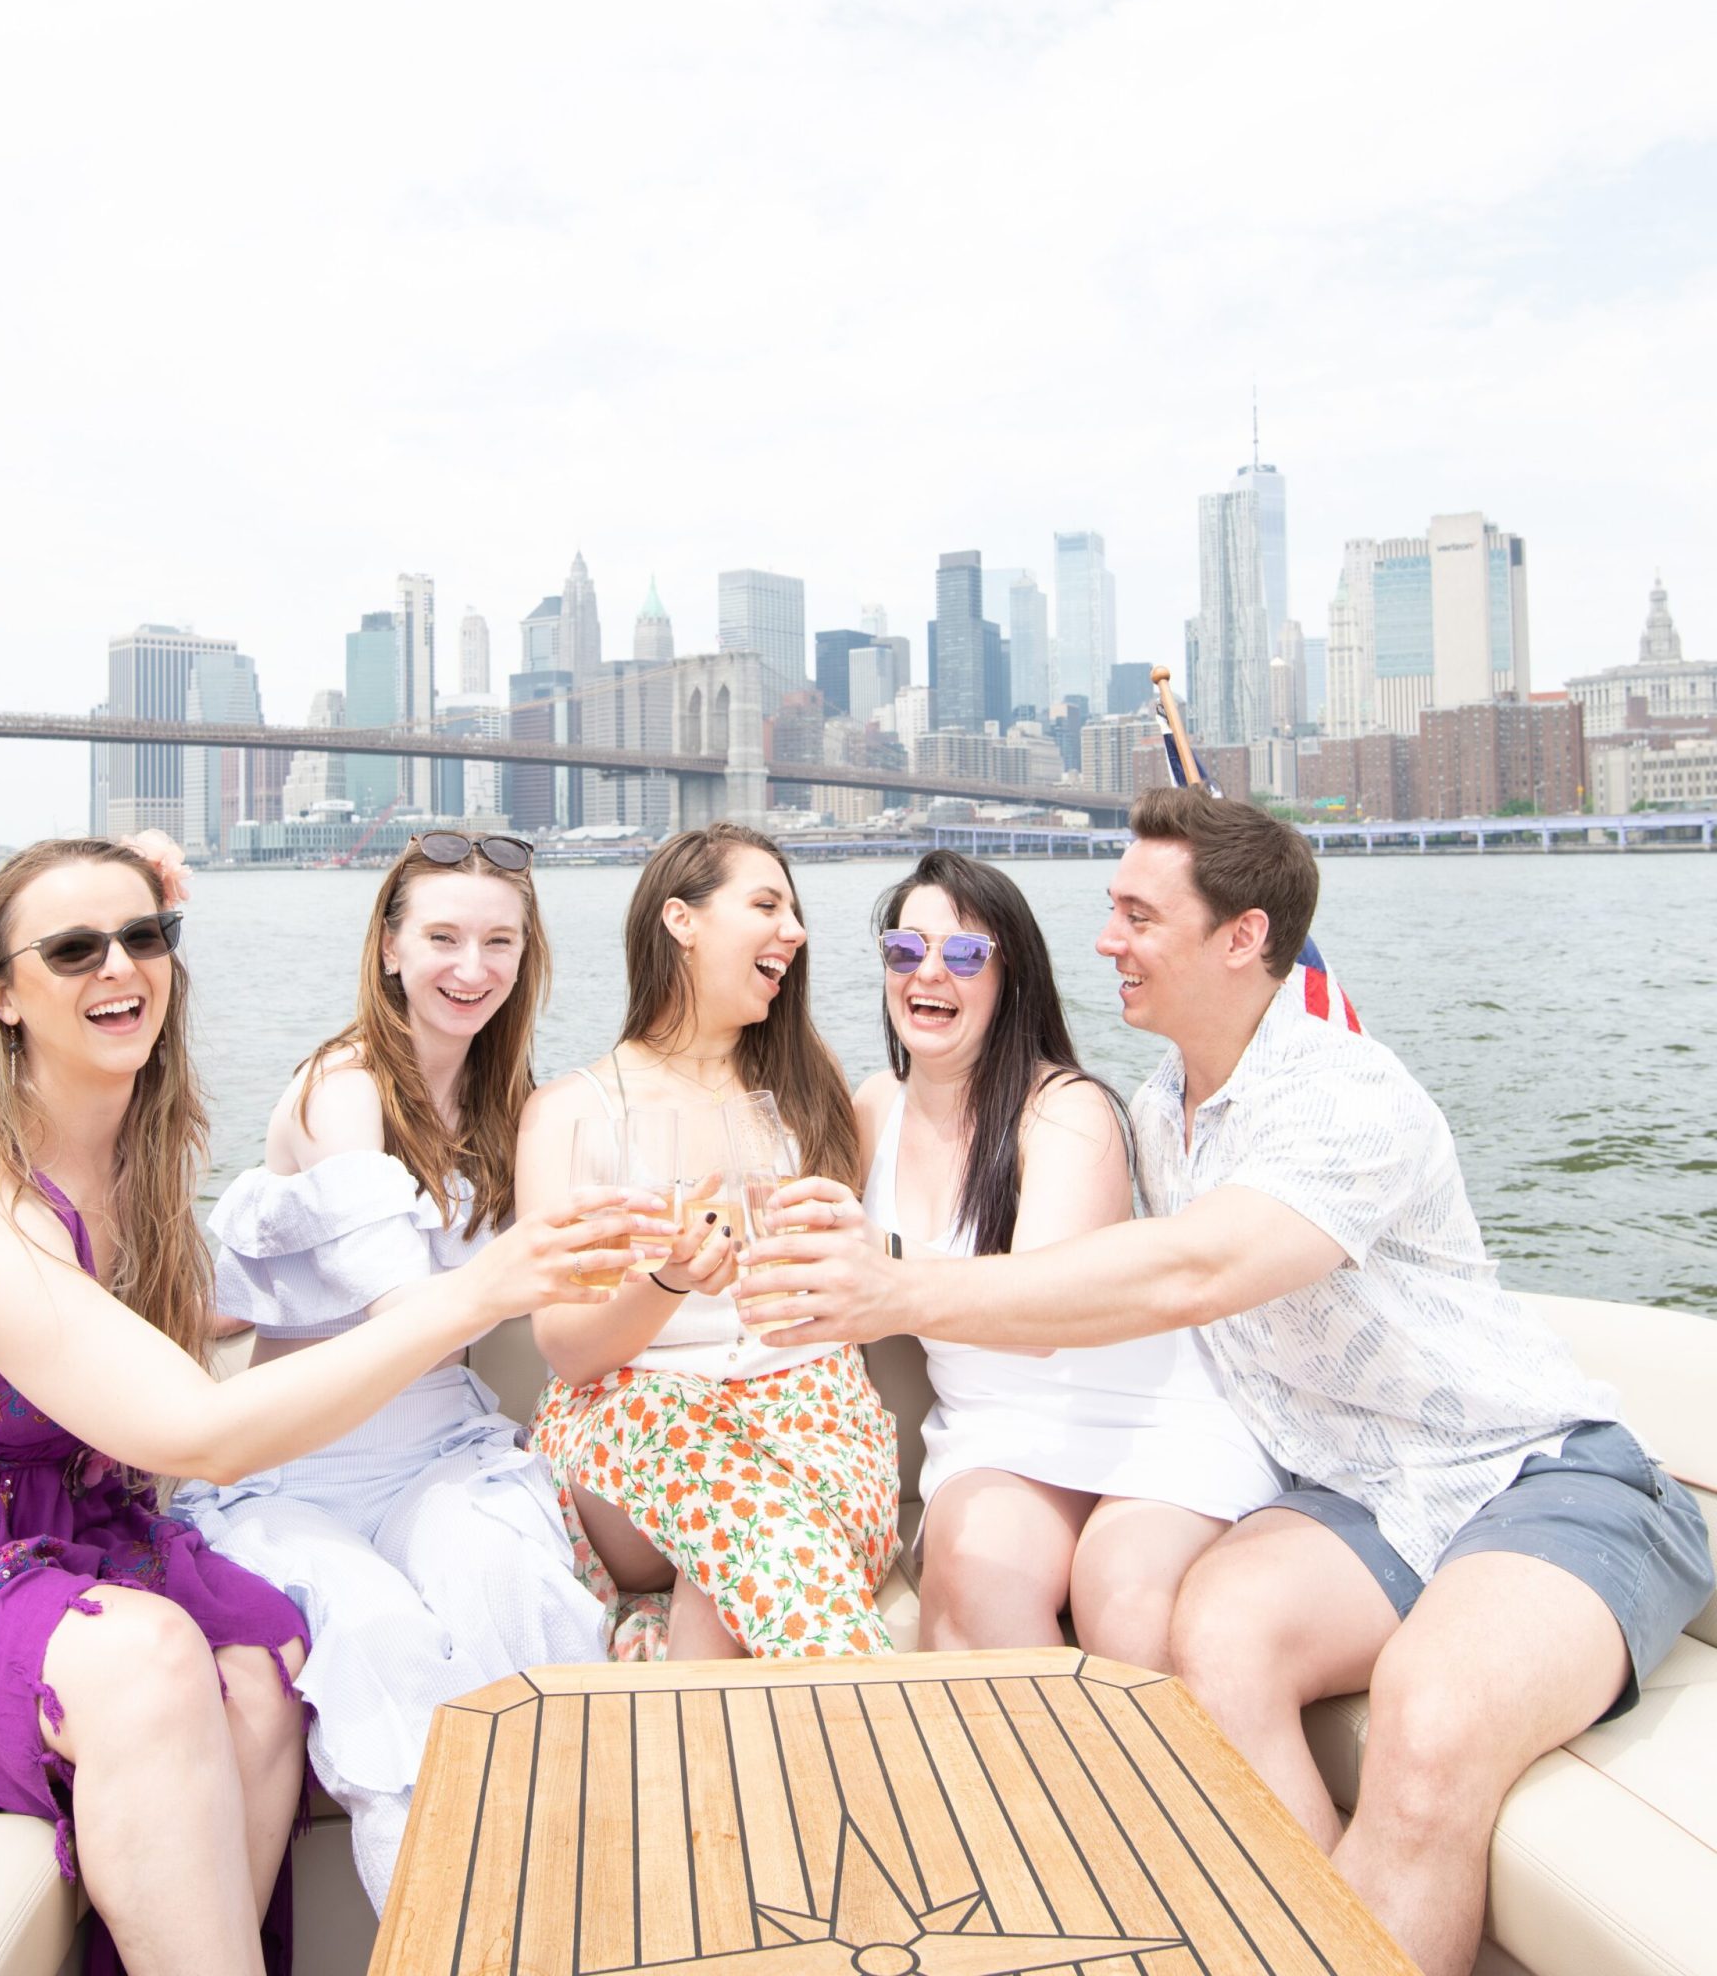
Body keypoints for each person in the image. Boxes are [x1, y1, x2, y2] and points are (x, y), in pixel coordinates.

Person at [737, 787, 1713, 1976]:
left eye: (1138, 915)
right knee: (1211, 1629)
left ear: (1241, 938)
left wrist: (893, 1288)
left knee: (1427, 1720)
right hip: (1351, 1494)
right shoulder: (1160, 1112)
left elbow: (1192, 1266)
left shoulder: (1344, 1093)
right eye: (1108, 911)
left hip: (1534, 1474)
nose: (1107, 941)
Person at [0, 836, 639, 1976]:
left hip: (61, 1539)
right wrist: (484, 1288)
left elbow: (180, 1323)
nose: (119, 964)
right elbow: (198, 1432)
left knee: (261, 1667)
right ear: (1, 995)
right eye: (72, 948)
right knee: (152, 1653)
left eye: (143, 935)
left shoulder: (137, 1170)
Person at [173, 832, 616, 1909]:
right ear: (387, 946)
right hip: (299, 1470)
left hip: (437, 1447)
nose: (472, 967)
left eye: (498, 941)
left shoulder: (508, 1104)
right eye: (443, 937)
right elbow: (399, 1303)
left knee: (513, 1596)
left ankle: (576, 1910)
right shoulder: (343, 1086)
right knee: (383, 1645)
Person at [858, 849, 1281, 1665]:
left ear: (1010, 977)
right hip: (993, 1432)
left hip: (1154, 1427)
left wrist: (876, 1272)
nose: (928, 973)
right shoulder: (873, 1108)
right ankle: (1035, 1790)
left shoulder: (1065, 1111)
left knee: (1124, 1599)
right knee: (976, 1575)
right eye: (905, 951)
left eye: (966, 954)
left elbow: (1037, 1321)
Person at [518, 822, 901, 1660]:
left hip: (810, 1421)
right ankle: (858, 1700)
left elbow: (858, 1292)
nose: (793, 932)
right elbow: (569, 1354)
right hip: (638, 1430)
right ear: (680, 921)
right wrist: (666, 1283)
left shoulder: (809, 1090)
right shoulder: (573, 1112)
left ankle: (697, 1722)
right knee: (715, 1476)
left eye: (794, 913)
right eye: (765, 904)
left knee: (718, 1588)